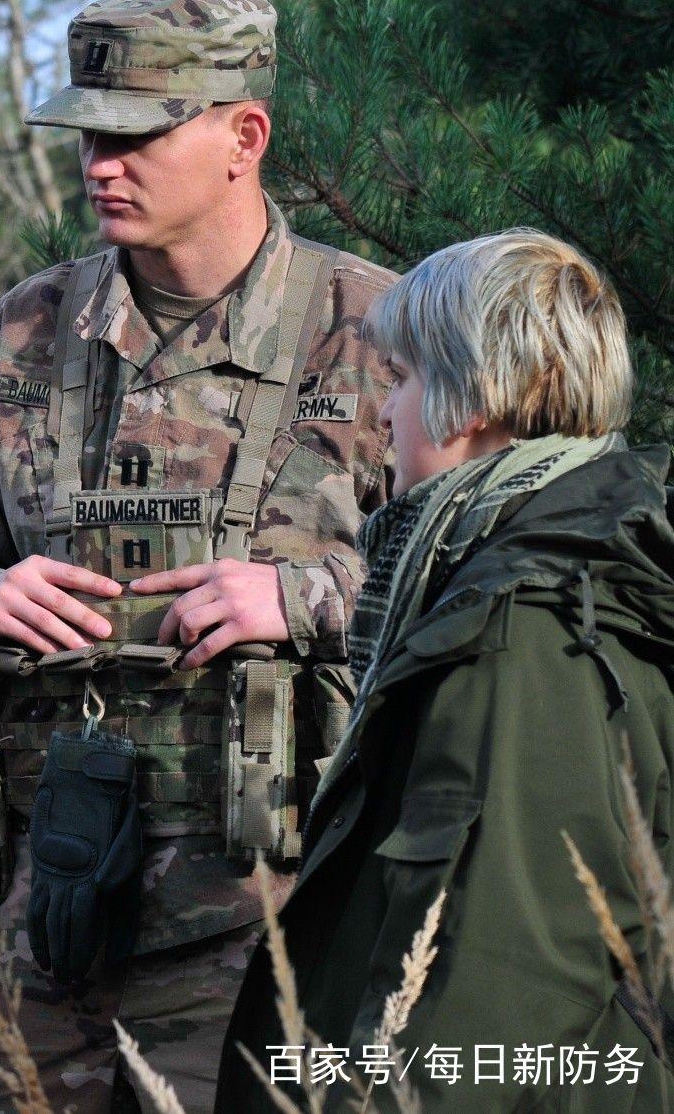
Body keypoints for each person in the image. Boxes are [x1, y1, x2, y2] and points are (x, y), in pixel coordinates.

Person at [0, 0, 396, 1111]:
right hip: (53, 900)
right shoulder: (29, 327)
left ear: (242, 137)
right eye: (89, 137)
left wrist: (303, 598)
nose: (101, 162)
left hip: (276, 915)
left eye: (137, 133)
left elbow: (481, 592)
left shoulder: (381, 336)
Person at [219, 229, 674, 1111]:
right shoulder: (524, 574)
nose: (384, 414)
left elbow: (497, 973)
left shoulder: (525, 622)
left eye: (401, 381)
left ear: (469, 402)